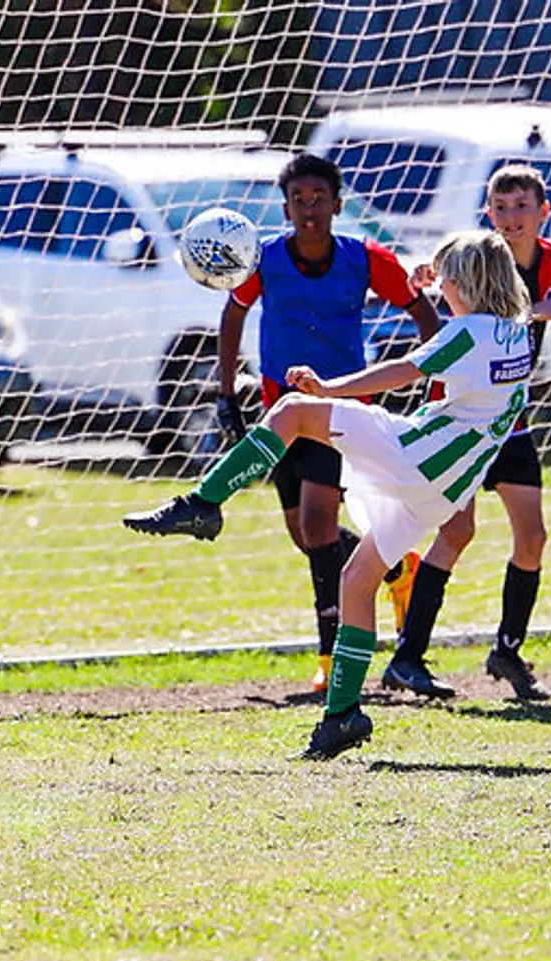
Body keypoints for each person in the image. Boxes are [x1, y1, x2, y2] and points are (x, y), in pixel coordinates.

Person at [128, 229, 535, 759]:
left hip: (418, 455)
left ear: (465, 283)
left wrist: (329, 388)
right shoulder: (517, 334)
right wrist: (435, 270)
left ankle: (203, 503)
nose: (441, 294)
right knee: (356, 578)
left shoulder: (468, 332)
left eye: (447, 283)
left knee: (294, 411)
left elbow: (403, 369)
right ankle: (342, 714)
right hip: (445, 484)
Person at [217, 153, 442, 693]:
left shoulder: (365, 259)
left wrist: (431, 378)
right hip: (279, 414)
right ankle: (395, 569)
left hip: (338, 410)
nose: (309, 210)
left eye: (319, 199)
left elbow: (422, 311)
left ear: (338, 205)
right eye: (299, 200)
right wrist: (227, 393)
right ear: (286, 207)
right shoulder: (266, 258)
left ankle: (329, 656)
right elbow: (233, 313)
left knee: (318, 526)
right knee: (302, 533)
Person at [381, 164, 551, 702]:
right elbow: (437, 270)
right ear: (488, 212)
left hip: (512, 421)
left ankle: (507, 650)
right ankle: (407, 658)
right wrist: (420, 273)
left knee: (533, 538)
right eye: (500, 208)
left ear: (543, 212)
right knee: (456, 533)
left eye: (521, 206)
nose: (510, 218)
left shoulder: (550, 260)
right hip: (460, 421)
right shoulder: (476, 254)